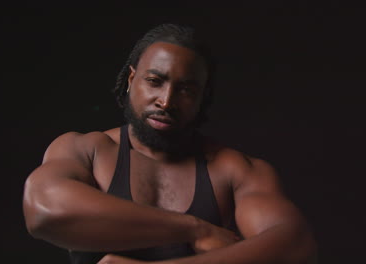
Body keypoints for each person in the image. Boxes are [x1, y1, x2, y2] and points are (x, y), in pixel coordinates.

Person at [22, 23, 316, 264]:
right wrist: (193, 229)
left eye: (186, 90)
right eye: (154, 81)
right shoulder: (88, 150)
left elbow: (296, 247)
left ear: (203, 99)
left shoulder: (234, 170)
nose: (166, 101)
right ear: (131, 80)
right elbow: (44, 210)